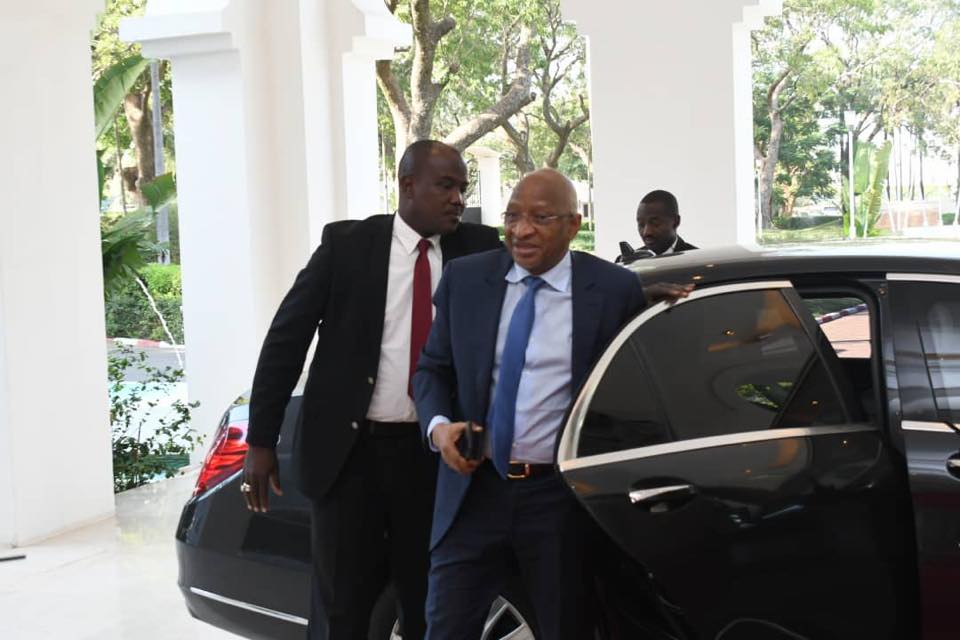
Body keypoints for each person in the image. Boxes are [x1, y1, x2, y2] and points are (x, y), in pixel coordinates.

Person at [413, 168, 693, 639]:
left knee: (564, 627)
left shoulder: (611, 289)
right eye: (512, 216)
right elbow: (432, 369)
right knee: (444, 627)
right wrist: (439, 427)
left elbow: (633, 392)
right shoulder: (467, 279)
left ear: (573, 225)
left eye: (540, 218)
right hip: (473, 494)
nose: (521, 230)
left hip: (557, 502)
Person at [241, 140, 501, 640]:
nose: (458, 199)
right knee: (342, 610)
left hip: (434, 458)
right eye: (446, 186)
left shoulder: (479, 249)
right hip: (350, 456)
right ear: (408, 186)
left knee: (428, 604)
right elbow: (285, 341)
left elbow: (548, 276)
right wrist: (261, 440)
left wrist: (632, 290)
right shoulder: (347, 247)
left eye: (462, 188)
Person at [635, 189, 697, 256]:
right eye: (641, 224)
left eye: (655, 223)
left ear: (676, 222)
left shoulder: (698, 259)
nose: (646, 232)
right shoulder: (632, 260)